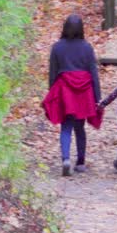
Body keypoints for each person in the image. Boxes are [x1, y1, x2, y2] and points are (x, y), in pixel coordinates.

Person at [41, 14, 102, 176]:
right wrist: (97, 97)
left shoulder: (57, 48)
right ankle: (80, 162)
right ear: (81, 29)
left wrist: (52, 94)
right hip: (83, 92)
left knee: (66, 126)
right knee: (80, 127)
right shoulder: (87, 48)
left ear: (65, 27)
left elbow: (53, 74)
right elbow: (94, 74)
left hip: (65, 91)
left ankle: (66, 159)